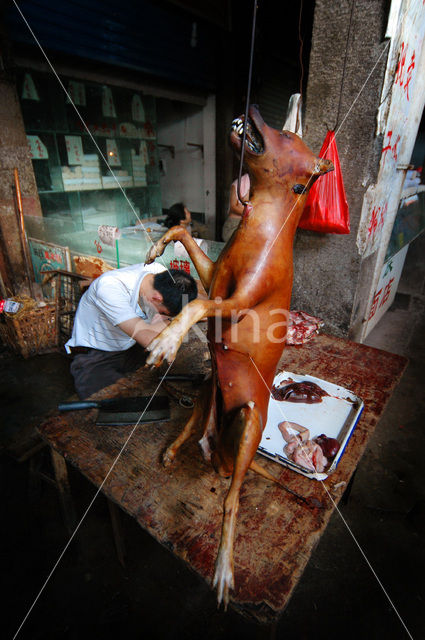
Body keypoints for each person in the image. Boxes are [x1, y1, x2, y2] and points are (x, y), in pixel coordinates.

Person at [65, 264, 197, 399]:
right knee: (111, 401)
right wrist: (174, 322)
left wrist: (168, 322)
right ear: (156, 298)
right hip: (98, 353)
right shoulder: (109, 287)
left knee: (170, 372)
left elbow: (197, 302)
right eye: (163, 312)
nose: (163, 316)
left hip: (129, 344)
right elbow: (149, 341)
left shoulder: (158, 271)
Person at [221, 173, 250, 242]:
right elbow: (233, 207)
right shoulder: (238, 184)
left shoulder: (260, 186)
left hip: (248, 225)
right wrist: (251, 214)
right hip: (234, 225)